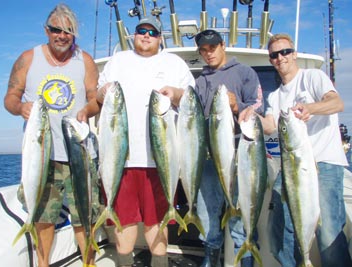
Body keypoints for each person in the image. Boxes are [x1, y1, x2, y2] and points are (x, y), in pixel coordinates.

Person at [240, 33, 352, 266]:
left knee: (329, 233)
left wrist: (311, 107)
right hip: (290, 167)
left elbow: (337, 103)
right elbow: (271, 126)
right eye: (275, 55)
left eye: (285, 52)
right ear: (271, 60)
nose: (281, 58)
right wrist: (252, 117)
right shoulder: (276, 96)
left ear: (294, 54)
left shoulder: (313, 77)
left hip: (325, 164)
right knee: (278, 233)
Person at [4, 4, 101, 267]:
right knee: (44, 216)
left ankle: (88, 263)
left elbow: (95, 99)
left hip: (79, 151)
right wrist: (20, 107)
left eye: (68, 31)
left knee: (85, 214)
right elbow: (10, 98)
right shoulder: (28, 58)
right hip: (42, 154)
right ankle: (43, 264)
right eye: (56, 29)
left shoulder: (86, 61)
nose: (62, 35)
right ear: (46, 31)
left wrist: (87, 110)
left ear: (75, 35)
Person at [96, 16, 195, 267]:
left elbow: (190, 98)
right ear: (134, 34)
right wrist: (104, 91)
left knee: (156, 222)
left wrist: (175, 93)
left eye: (152, 32)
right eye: (142, 30)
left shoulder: (174, 63)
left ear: (160, 38)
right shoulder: (118, 61)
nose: (146, 35)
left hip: (161, 162)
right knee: (124, 222)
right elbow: (98, 95)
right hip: (121, 161)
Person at [194, 29, 264, 267]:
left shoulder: (245, 72)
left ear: (223, 45)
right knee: (207, 211)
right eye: (203, 50)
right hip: (208, 155)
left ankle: (246, 257)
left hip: (240, 151)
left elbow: (258, 110)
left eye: (212, 48)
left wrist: (237, 106)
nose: (208, 54)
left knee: (240, 213)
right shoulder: (200, 81)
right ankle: (210, 257)